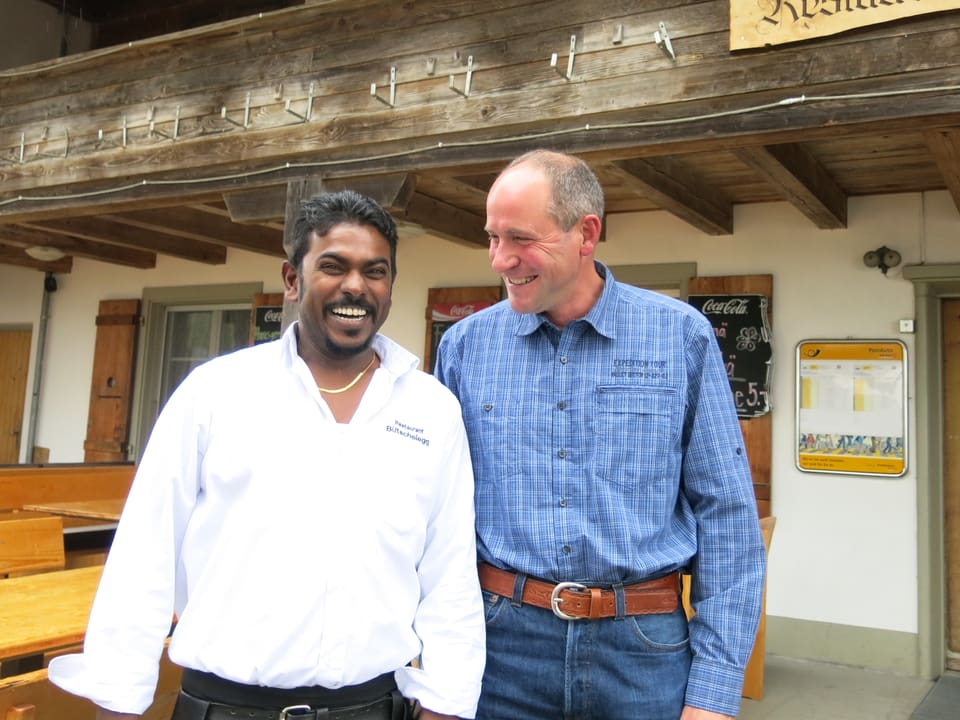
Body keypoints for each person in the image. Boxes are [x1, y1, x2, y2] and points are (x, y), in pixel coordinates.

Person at [49, 190, 485, 720]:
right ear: (292, 278)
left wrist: (446, 706)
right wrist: (117, 700)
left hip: (374, 707)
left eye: (376, 271)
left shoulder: (432, 410)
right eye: (333, 266)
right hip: (225, 707)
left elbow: (450, 575)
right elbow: (145, 556)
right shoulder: (215, 393)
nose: (356, 286)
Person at [434, 149, 766, 720]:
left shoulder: (679, 337)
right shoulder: (464, 348)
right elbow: (437, 515)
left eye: (520, 238)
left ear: (586, 233)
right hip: (498, 648)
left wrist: (714, 692)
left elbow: (727, 513)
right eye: (492, 238)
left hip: (644, 653)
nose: (499, 259)